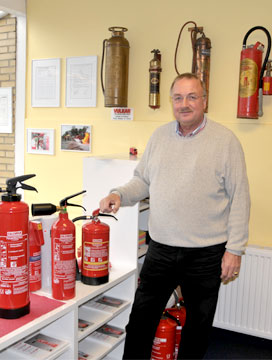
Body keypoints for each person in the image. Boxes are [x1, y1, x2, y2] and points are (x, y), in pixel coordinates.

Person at [99, 73, 250, 359]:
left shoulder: (226, 141)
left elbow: (240, 197)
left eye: (192, 97)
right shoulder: (159, 137)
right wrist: (119, 194)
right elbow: (142, 180)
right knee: (141, 320)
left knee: (198, 327)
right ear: (171, 102)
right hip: (161, 249)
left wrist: (235, 249)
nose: (184, 104)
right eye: (178, 98)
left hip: (206, 253)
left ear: (204, 101)